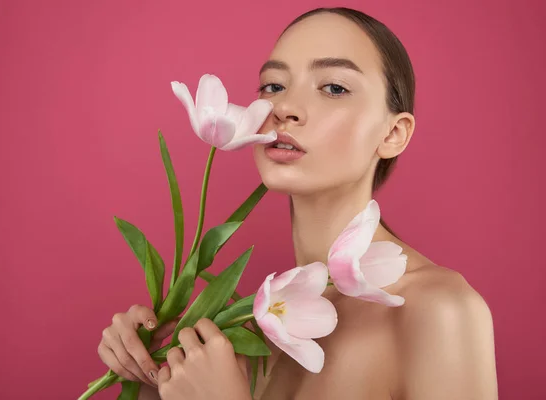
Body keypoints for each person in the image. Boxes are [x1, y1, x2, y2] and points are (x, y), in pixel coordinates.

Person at [97, 7, 498, 400]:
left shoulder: (441, 311)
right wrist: (152, 377)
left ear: (393, 133)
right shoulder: (251, 335)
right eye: (274, 86)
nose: (284, 108)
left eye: (334, 88)